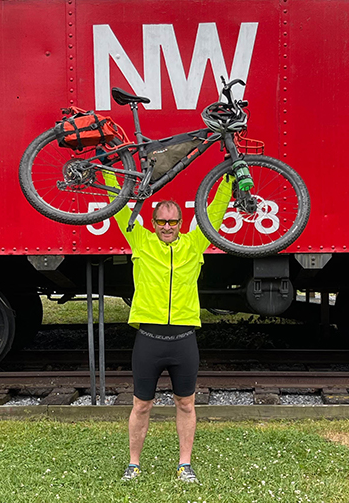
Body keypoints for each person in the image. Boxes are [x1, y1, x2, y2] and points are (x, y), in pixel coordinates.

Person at [108, 174, 233, 484]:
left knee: (186, 403)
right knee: (141, 405)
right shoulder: (140, 240)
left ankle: (185, 465)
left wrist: (229, 178)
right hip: (148, 340)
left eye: (173, 221)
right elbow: (120, 204)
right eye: (161, 221)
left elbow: (214, 210)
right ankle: (134, 464)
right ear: (152, 223)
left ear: (181, 223)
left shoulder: (195, 244)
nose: (167, 227)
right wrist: (110, 171)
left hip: (183, 340)